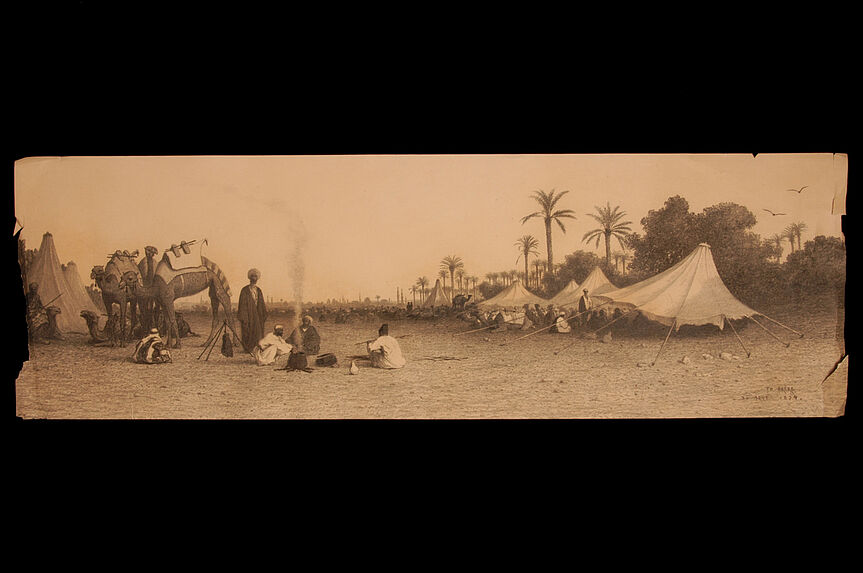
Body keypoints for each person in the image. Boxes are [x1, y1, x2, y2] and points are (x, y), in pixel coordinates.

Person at [237, 268, 267, 352]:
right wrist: (244, 317)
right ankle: (248, 348)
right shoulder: (245, 290)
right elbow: (242, 305)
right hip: (248, 314)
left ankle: (257, 348)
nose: (254, 279)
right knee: (247, 330)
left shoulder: (258, 290)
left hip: (257, 314)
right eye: (252, 277)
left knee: (258, 331)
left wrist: (263, 314)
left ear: (257, 279)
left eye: (256, 277)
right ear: (250, 278)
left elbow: (261, 303)